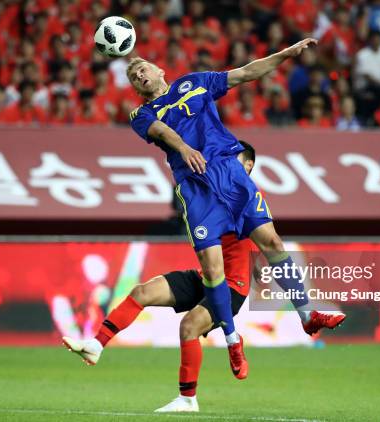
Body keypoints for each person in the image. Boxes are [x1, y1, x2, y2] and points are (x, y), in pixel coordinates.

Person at [62, 142, 345, 413]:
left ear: (248, 166)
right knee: (142, 292)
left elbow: (271, 248)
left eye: (230, 160)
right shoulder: (210, 189)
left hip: (232, 285)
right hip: (205, 276)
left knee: (188, 327)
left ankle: (187, 399)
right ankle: (96, 345)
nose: (221, 164)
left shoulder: (249, 199)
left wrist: (298, 303)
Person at [124, 38, 343, 380]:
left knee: (272, 242)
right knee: (213, 272)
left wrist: (284, 54)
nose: (139, 74)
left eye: (142, 68)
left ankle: (306, 315)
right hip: (197, 183)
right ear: (137, 89)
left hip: (231, 171)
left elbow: (244, 74)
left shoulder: (194, 83)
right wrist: (183, 148)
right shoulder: (142, 114)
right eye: (133, 76)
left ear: (159, 69)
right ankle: (231, 339)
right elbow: (162, 132)